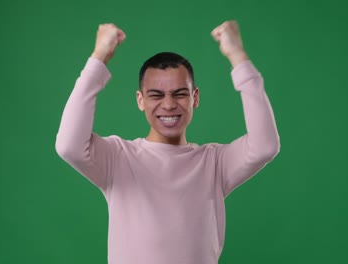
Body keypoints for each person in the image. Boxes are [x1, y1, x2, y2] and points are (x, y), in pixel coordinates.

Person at [55, 20, 280, 264]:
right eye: (156, 95)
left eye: (180, 93)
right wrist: (99, 58)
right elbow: (69, 146)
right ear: (141, 100)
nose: (169, 104)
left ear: (195, 97)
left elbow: (265, 146)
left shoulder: (214, 163)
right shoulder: (118, 158)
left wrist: (238, 56)